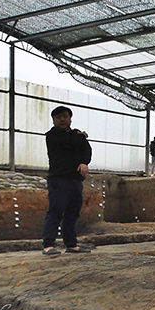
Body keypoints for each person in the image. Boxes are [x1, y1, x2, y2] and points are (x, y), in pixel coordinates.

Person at [42, 105, 91, 256]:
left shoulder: (76, 135)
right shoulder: (52, 136)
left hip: (75, 180)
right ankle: (48, 245)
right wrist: (79, 136)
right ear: (54, 120)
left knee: (72, 213)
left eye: (65, 116)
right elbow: (67, 145)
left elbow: (86, 150)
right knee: (56, 211)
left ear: (70, 119)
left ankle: (71, 244)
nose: (62, 120)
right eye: (58, 117)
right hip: (59, 179)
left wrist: (84, 162)